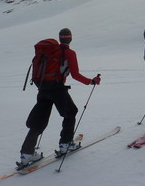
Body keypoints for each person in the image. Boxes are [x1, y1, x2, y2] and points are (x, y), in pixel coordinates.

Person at [18, 28, 101, 166]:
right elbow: (75, 74)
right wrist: (91, 81)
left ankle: (26, 154)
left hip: (43, 88)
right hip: (56, 88)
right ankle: (65, 144)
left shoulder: (49, 53)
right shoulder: (69, 53)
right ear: (70, 39)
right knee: (71, 112)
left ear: (60, 38)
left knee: (39, 120)